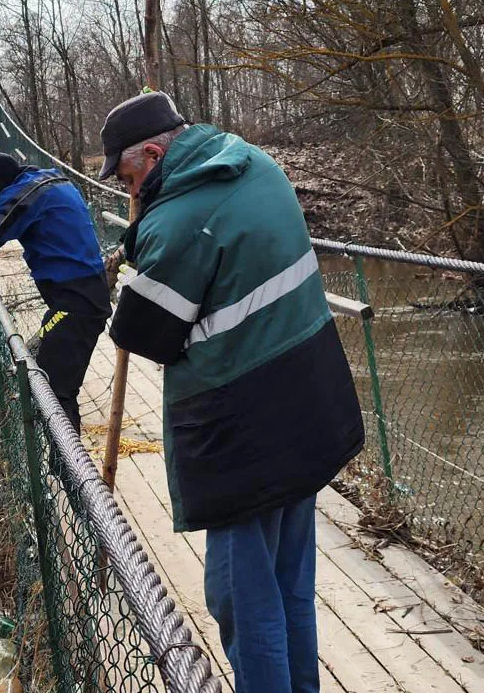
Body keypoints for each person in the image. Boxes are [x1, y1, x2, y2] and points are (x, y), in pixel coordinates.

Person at [99, 91, 364, 693]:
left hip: (245, 430)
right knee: (291, 584)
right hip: (310, 407)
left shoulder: (179, 218)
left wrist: (139, 249)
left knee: (240, 597)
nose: (126, 189)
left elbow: (144, 334)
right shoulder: (254, 163)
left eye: (128, 173)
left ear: (153, 150)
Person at [0, 152, 110, 434]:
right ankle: (64, 467)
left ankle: (68, 472)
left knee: (53, 392)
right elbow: (14, 210)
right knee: (49, 380)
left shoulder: (24, 200)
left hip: (73, 305)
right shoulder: (46, 180)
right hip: (84, 296)